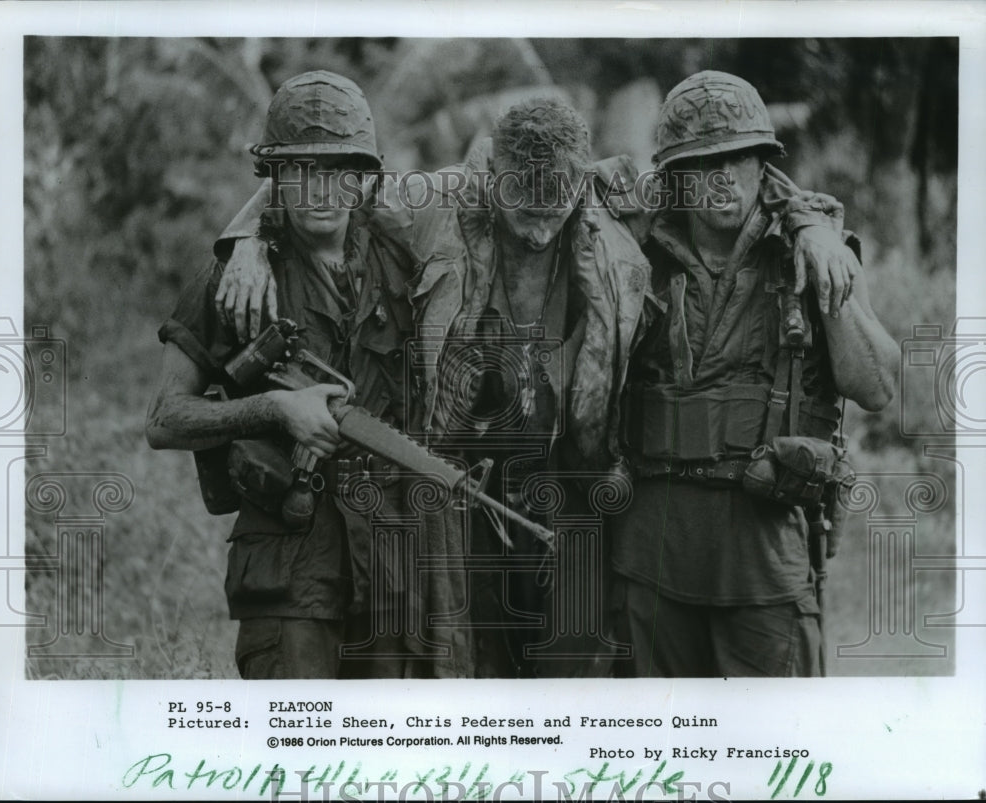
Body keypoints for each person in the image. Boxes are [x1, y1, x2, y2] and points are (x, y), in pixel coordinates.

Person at [212, 91, 856, 678]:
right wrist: (245, 238)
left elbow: (733, 176)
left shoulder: (613, 199)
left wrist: (811, 222)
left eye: (556, 209)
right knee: (464, 665)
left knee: (575, 667)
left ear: (581, 183)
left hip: (572, 485)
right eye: (524, 210)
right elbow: (321, 179)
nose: (541, 229)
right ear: (493, 179)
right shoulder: (433, 202)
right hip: (456, 483)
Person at [146, 70, 472, 679]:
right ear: (274, 180)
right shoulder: (233, 284)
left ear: (363, 179)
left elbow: (507, 183)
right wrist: (273, 410)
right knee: (299, 748)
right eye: (299, 171)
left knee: (390, 761)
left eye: (339, 172)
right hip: (290, 559)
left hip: (393, 560)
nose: (321, 190)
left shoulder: (407, 262)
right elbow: (164, 420)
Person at [609, 70, 898, 677]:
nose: (721, 179)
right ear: (674, 180)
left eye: (738, 159)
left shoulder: (813, 249)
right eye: (702, 164)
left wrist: (822, 260)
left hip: (763, 547)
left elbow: (876, 387)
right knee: (660, 750)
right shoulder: (633, 250)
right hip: (653, 549)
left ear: (763, 166)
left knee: (768, 746)